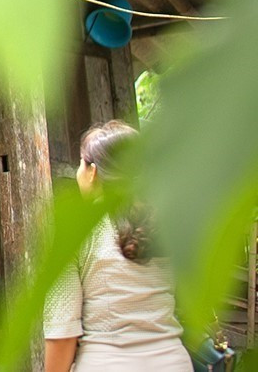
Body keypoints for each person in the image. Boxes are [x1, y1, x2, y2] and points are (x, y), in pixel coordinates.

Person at [44, 120, 191, 372]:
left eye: (81, 163)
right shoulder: (168, 225)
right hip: (173, 363)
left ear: (92, 172)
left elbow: (63, 335)